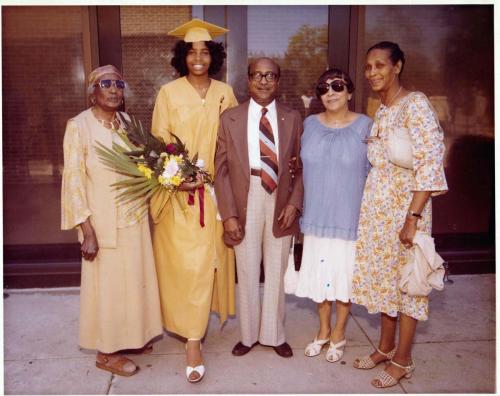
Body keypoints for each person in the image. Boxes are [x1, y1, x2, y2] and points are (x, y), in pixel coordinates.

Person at [351, 41, 448, 388]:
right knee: (383, 279)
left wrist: (413, 218)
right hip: (378, 209)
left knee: (409, 284)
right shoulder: (383, 109)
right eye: (368, 67)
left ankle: (403, 360)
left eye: (380, 65)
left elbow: (429, 163)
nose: (373, 73)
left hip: (407, 209)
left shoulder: (415, 104)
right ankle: (385, 347)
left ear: (398, 66)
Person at [149, 19, 238, 383]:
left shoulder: (225, 92)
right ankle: (191, 340)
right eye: (192, 52)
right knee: (183, 268)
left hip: (216, 196)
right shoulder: (168, 93)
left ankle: (195, 334)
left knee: (207, 266)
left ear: (213, 56)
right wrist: (178, 178)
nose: (198, 58)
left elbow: (233, 143)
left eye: (205, 52)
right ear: (182, 57)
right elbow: (157, 146)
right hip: (180, 195)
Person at [61, 65, 163, 377]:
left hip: (133, 218)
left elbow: (144, 166)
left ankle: (129, 338)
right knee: (107, 288)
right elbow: (73, 182)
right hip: (102, 221)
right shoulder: (79, 126)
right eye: (106, 84)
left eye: (119, 83)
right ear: (93, 91)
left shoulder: (129, 123)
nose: (114, 89)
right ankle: (106, 352)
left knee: (133, 282)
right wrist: (86, 229)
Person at [215, 57, 303, 359]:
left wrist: (294, 202)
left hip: (280, 197)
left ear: (278, 81)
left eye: (270, 76)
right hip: (246, 194)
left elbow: (301, 167)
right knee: (247, 267)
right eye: (257, 75)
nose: (264, 81)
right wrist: (228, 214)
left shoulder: (292, 117)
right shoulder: (230, 118)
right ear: (248, 80)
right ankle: (249, 335)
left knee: (276, 269)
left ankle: (274, 335)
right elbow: (221, 169)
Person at [294, 69, 372, 363]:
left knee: (343, 280)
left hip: (349, 219)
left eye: (337, 86)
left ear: (350, 92)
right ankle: (324, 329)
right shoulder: (309, 124)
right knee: (320, 279)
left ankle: (339, 332)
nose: (330, 92)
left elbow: (374, 172)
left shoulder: (366, 125)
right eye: (323, 88)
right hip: (316, 217)